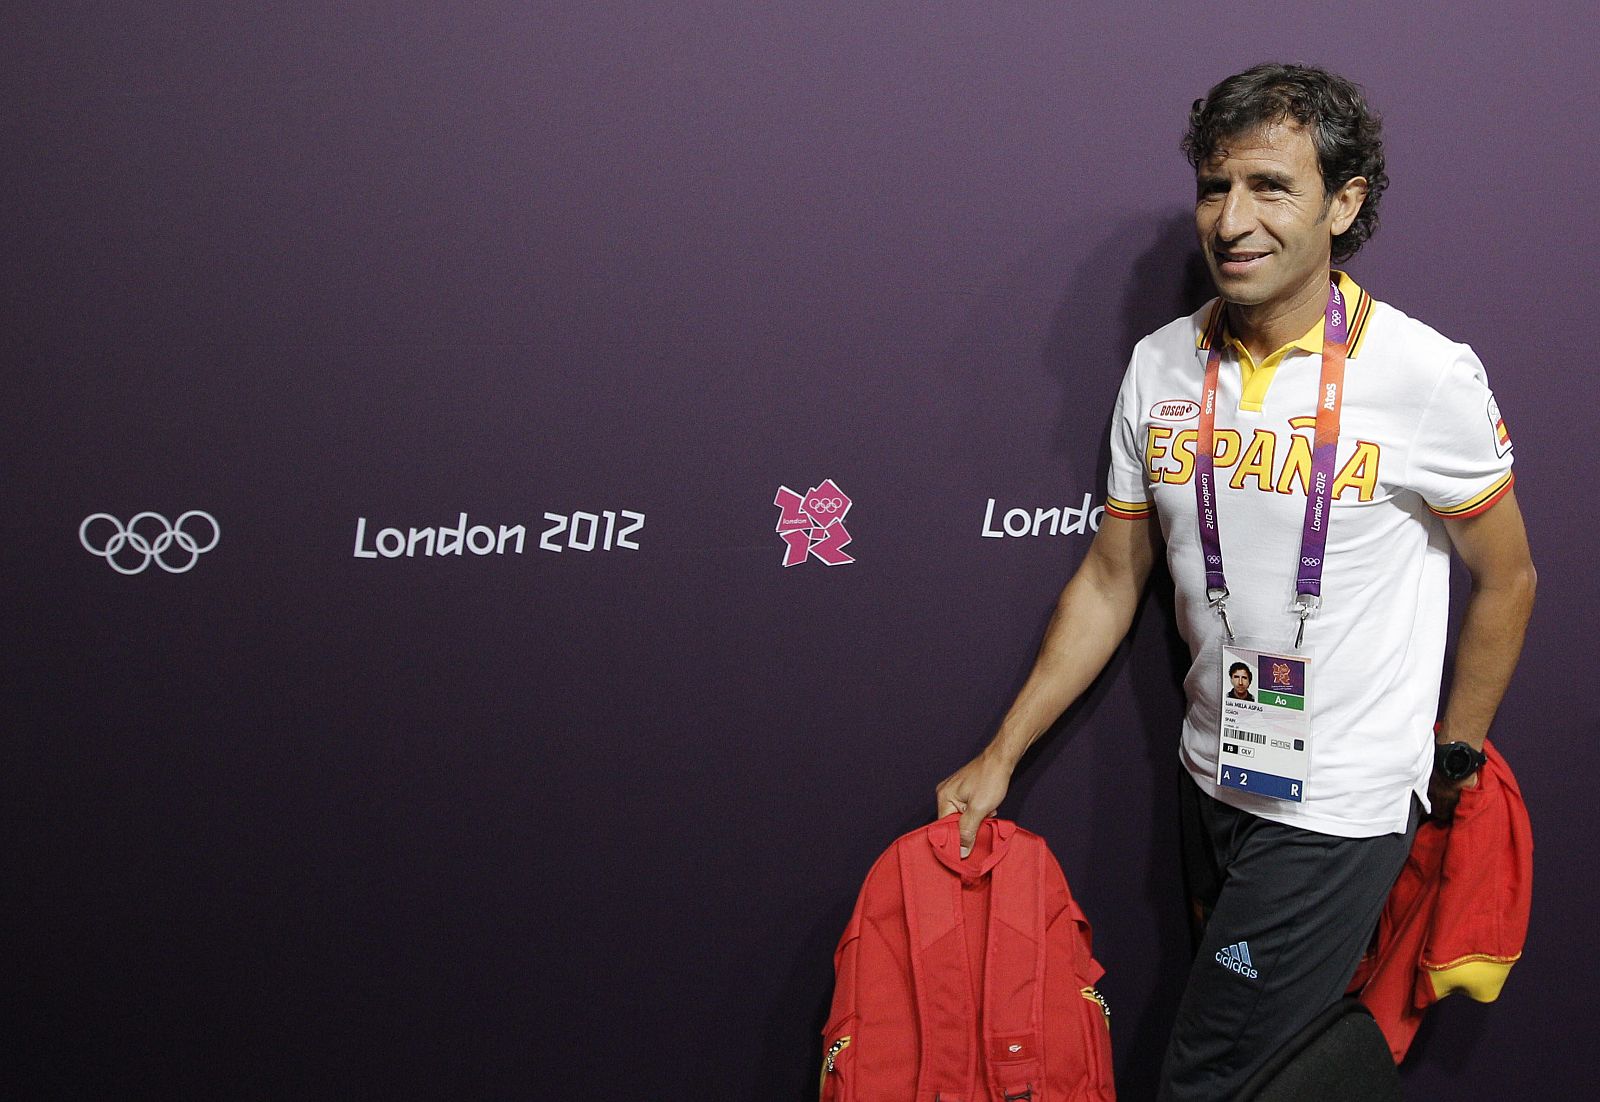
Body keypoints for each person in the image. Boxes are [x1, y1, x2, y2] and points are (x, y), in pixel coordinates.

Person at [935, 63, 1535, 1100]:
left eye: (1269, 186)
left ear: (1342, 205)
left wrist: (1452, 760)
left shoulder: (1425, 376)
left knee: (1206, 1078)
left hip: (1337, 807)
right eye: (1215, 187)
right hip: (1209, 778)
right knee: (1280, 1072)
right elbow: (1110, 581)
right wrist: (1000, 752)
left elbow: (1509, 578)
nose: (1231, 219)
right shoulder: (1161, 366)